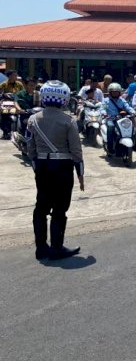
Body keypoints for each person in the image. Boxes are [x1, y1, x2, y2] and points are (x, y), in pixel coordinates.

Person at [27, 80, 84, 260]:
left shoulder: (33, 119)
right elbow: (76, 151)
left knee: (41, 208)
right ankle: (57, 248)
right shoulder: (68, 121)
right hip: (62, 168)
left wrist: (37, 165)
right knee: (60, 209)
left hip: (42, 167)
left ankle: (41, 248)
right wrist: (80, 174)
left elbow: (30, 147)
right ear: (65, 99)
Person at [100, 82, 136, 154]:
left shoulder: (122, 100)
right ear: (110, 92)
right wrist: (104, 114)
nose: (115, 94)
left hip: (121, 119)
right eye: (113, 92)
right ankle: (110, 148)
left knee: (131, 128)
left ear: (119, 93)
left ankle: (135, 145)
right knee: (111, 127)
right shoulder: (106, 100)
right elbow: (102, 108)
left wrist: (133, 112)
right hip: (110, 119)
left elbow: (128, 107)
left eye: (116, 92)